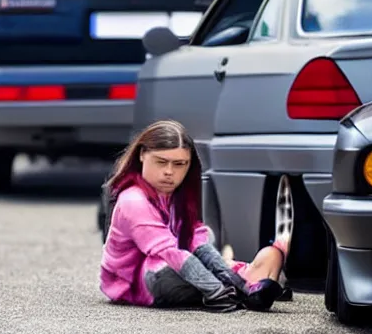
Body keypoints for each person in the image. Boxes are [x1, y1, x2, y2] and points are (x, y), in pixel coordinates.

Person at [99, 120, 294, 313]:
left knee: (260, 252)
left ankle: (249, 285)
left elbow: (194, 240)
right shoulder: (133, 200)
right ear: (142, 155)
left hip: (179, 261)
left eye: (179, 164)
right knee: (164, 271)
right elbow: (170, 253)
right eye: (161, 162)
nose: (169, 172)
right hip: (138, 281)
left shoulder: (176, 193)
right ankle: (251, 285)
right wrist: (217, 292)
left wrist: (237, 282)